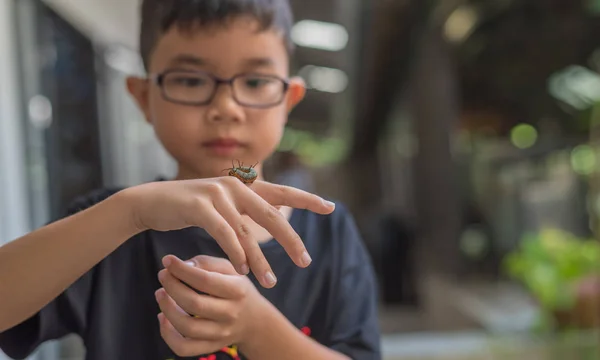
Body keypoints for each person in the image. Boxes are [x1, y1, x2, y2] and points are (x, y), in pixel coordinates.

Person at [0, 0, 381, 359]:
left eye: (254, 82)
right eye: (190, 80)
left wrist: (257, 328)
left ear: (289, 100)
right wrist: (129, 212)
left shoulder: (331, 234)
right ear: (143, 97)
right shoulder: (106, 223)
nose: (226, 108)